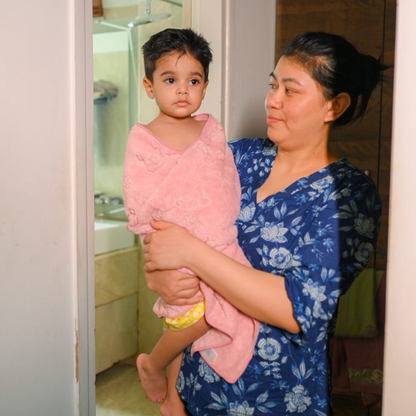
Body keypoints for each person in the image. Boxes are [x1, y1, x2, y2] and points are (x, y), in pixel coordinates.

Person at [142, 31, 387, 415]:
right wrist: (160, 274)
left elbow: (296, 309)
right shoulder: (236, 158)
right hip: (195, 389)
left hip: (280, 400)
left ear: (333, 106)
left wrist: (192, 252)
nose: (272, 100)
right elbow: (169, 239)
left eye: (291, 90)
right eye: (273, 85)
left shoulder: (348, 195)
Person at [123, 28, 259, 416]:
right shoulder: (144, 137)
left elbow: (223, 183)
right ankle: (152, 362)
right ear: (150, 87)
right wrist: (159, 249)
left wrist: (216, 227)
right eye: (170, 80)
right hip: (173, 244)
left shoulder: (211, 130)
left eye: (193, 81)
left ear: (205, 85)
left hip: (218, 243)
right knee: (194, 316)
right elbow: (140, 194)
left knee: (215, 310)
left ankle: (173, 399)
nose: (182, 90)